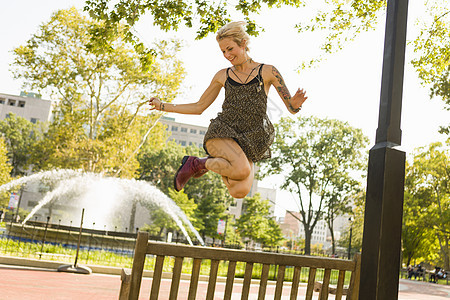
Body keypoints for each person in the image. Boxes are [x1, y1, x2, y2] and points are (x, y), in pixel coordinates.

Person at [149, 21, 308, 198]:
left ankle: (213, 163)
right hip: (222, 132)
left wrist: (295, 103)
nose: (226, 55)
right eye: (223, 51)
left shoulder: (268, 71)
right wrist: (162, 105)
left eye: (230, 49)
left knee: (238, 191)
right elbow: (199, 107)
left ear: (243, 44)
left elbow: (292, 108)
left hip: (250, 138)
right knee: (241, 171)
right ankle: (196, 163)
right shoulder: (222, 75)